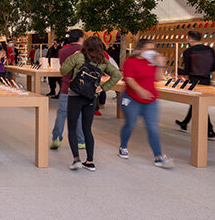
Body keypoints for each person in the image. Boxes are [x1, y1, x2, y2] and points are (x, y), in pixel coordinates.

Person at [60, 35, 121, 171]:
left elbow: (63, 70)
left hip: (75, 96)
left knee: (72, 128)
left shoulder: (78, 57)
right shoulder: (103, 61)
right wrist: (103, 88)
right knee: (87, 129)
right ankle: (90, 161)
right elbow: (117, 74)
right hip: (91, 97)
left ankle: (76, 159)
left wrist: (72, 57)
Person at [118, 39, 174, 168]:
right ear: (139, 50)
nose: (151, 52)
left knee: (152, 127)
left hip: (150, 100)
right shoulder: (130, 62)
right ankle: (123, 146)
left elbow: (158, 78)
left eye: (152, 49)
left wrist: (160, 65)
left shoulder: (152, 61)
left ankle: (158, 156)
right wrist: (140, 90)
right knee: (130, 124)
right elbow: (129, 79)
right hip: (132, 99)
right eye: (148, 49)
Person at [175, 31, 215, 140]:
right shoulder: (210, 50)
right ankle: (184, 123)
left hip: (194, 82)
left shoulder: (188, 52)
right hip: (206, 81)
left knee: (199, 105)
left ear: (189, 39)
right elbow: (214, 67)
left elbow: (187, 70)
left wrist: (178, 70)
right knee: (196, 104)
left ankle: (210, 131)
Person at [51, 30, 85, 149]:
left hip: (65, 86)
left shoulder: (62, 51)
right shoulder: (85, 50)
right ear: (80, 38)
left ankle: (56, 138)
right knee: (79, 114)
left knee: (62, 113)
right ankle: (81, 141)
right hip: (81, 88)